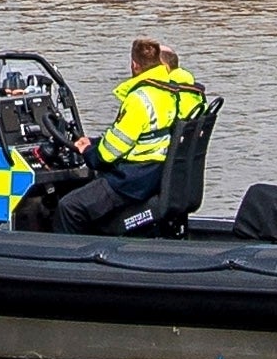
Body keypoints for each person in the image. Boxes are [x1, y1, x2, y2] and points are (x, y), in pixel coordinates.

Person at [39, 38, 207, 231]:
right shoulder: (183, 94)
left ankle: (68, 257)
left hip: (133, 180)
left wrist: (89, 152)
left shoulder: (140, 98)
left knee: (69, 207)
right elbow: (146, 136)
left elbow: (110, 152)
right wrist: (93, 143)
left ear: (135, 65)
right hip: (160, 173)